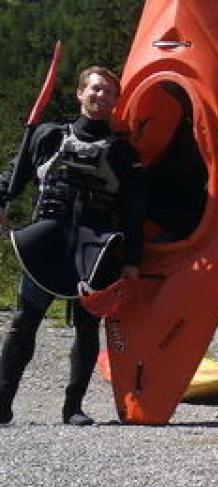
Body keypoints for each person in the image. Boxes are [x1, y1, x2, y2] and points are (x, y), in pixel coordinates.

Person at [0, 66, 145, 425]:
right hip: (47, 241)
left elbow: (132, 211)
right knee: (23, 324)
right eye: (95, 90)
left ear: (115, 103)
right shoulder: (48, 136)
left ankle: (73, 407)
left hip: (94, 249)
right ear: (80, 93)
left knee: (86, 328)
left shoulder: (121, 153)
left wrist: (132, 261)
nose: (101, 97)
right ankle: (2, 402)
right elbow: (13, 176)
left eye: (110, 93)